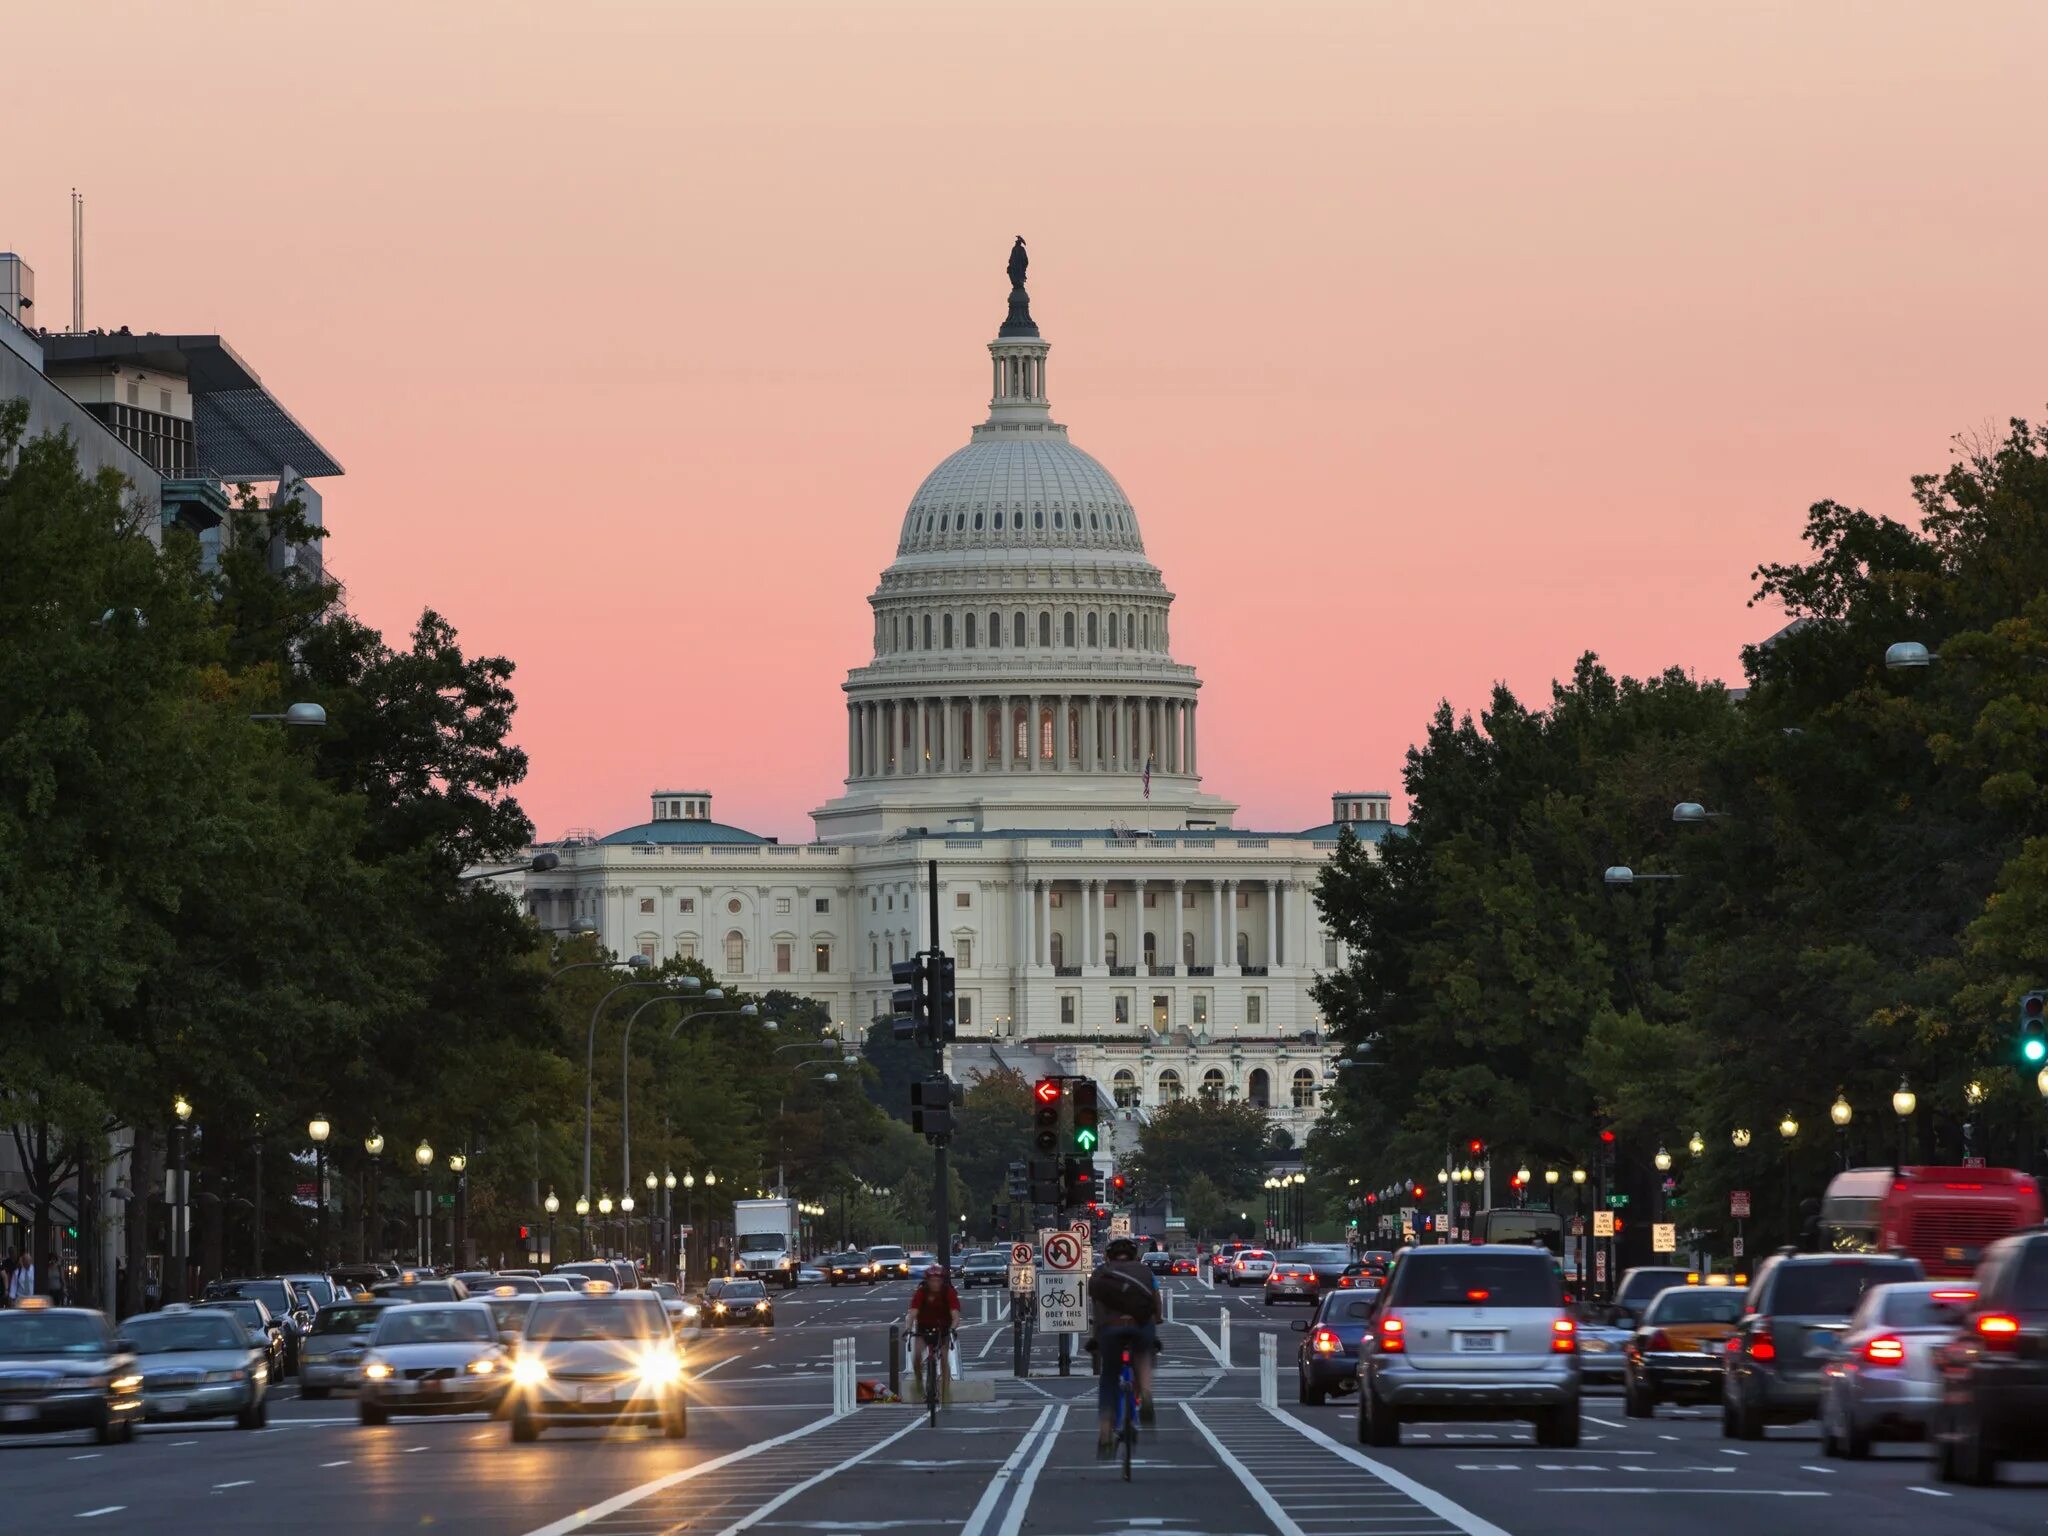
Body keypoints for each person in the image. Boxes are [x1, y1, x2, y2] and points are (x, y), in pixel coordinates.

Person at [1087, 1237, 1159, 1457]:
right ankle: (1146, 1395)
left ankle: (1106, 1435)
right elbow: (1155, 1303)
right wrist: (1157, 1320)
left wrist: (1096, 1338)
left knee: (1109, 1379)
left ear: (1108, 1256)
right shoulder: (1146, 1273)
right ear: (1135, 1255)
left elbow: (1097, 1312)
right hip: (1139, 1326)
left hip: (1111, 1329)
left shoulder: (1100, 1275)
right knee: (1143, 1353)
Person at [906, 1264, 960, 1392]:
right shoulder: (921, 1292)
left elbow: (955, 1315)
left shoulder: (948, 1292)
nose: (935, 1283)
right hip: (923, 1327)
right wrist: (908, 1328)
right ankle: (919, 1383)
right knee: (917, 1356)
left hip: (943, 1328)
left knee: (944, 1358)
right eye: (932, 1281)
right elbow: (913, 1312)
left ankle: (945, 1390)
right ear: (927, 1281)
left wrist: (952, 1328)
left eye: (938, 1280)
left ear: (942, 1281)